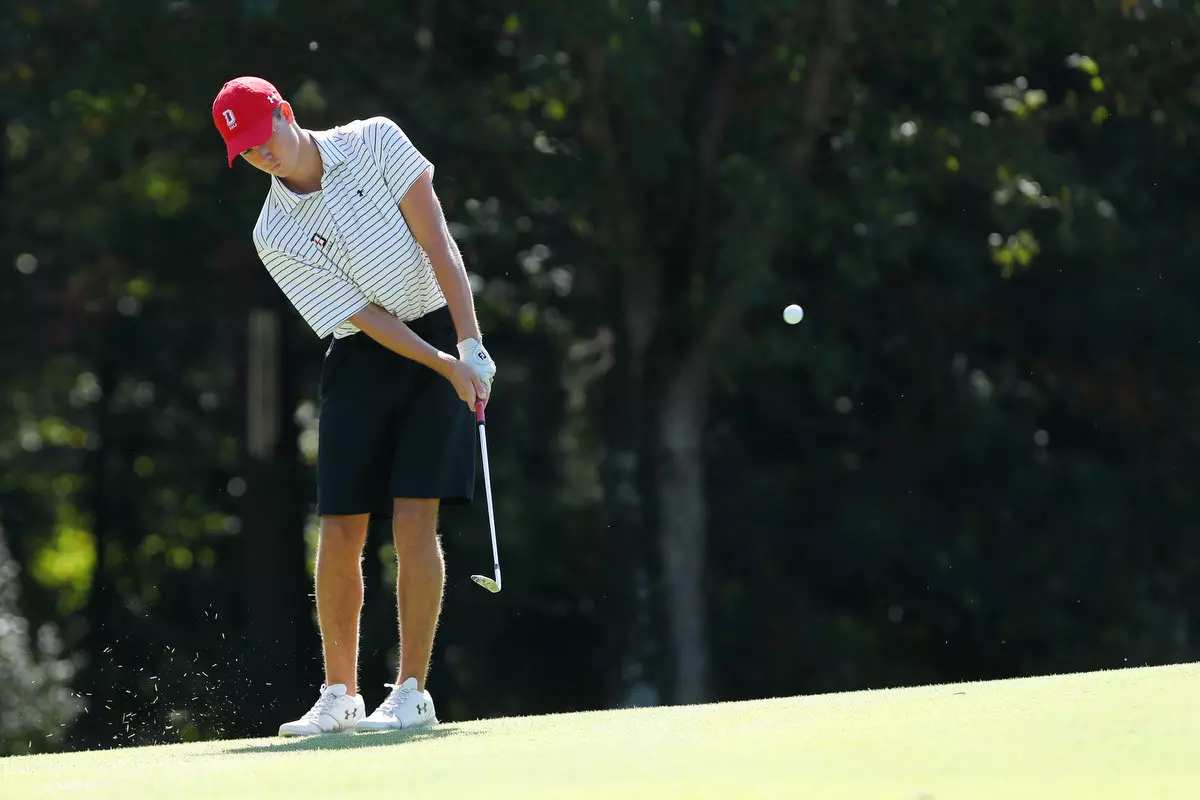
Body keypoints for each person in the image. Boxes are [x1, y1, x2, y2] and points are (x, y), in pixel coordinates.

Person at [211, 76, 497, 736]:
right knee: (340, 526)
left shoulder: (376, 141)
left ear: (286, 113)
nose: (263, 157)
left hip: (433, 325)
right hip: (365, 355)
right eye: (247, 152)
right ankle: (340, 694)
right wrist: (445, 366)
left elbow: (439, 243)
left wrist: (469, 344)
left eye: (264, 139)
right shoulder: (273, 230)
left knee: (413, 519)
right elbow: (362, 315)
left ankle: (411, 693)